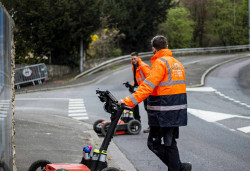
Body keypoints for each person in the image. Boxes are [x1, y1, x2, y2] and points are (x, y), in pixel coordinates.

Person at [119, 35, 192, 171]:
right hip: (177, 111)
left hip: (162, 111)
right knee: (170, 143)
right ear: (167, 46)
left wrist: (127, 102)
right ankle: (178, 167)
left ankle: (178, 167)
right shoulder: (177, 63)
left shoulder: (160, 63)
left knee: (153, 143)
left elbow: (147, 87)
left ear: (154, 48)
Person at [130, 52, 150, 133]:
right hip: (139, 89)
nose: (133, 60)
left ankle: (151, 126)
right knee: (134, 104)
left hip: (145, 90)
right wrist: (133, 86)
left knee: (148, 108)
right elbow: (137, 78)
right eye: (132, 59)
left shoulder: (143, 66)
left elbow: (149, 79)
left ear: (138, 57)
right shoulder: (134, 65)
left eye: (135, 58)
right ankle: (137, 122)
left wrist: (143, 88)